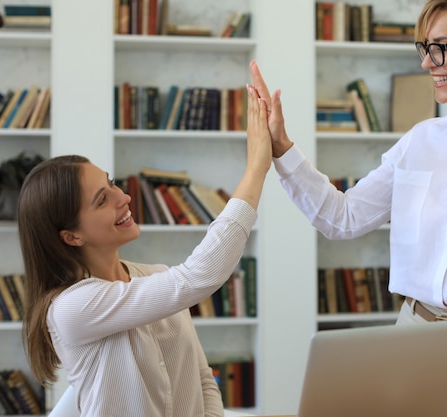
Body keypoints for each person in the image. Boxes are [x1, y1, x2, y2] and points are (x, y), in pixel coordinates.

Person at [249, 0, 447, 413]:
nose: (427, 63)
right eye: (424, 48)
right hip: (412, 344)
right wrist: (283, 149)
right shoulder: (422, 141)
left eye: (440, 47)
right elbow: (343, 218)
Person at [17, 84, 272, 417]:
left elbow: (202, 381)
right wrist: (256, 169)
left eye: (111, 184)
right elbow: (200, 276)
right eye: (102, 200)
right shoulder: (71, 308)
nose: (122, 197)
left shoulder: (157, 276)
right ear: (72, 236)